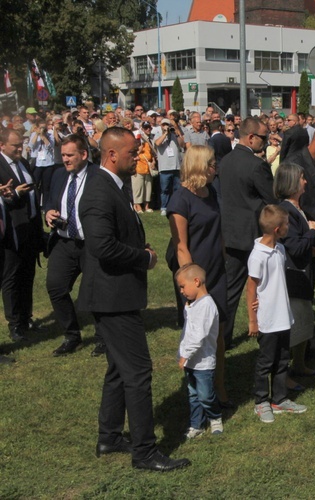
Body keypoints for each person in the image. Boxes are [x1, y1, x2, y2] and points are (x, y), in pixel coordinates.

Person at [78, 127, 190, 471]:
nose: (139, 157)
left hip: (117, 293)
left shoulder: (113, 184)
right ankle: (144, 452)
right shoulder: (99, 190)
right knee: (138, 371)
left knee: (118, 368)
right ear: (111, 155)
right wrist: (145, 258)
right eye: (131, 153)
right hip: (112, 296)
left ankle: (110, 436)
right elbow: (101, 246)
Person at [167, 144, 232, 407]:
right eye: (212, 163)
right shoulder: (179, 200)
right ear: (200, 166)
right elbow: (181, 246)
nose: (216, 167)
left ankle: (219, 387)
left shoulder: (211, 192)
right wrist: (193, 285)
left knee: (218, 331)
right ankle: (197, 390)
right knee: (198, 332)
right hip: (194, 275)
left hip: (216, 269)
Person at [247, 205, 308, 424]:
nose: (289, 227)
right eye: (287, 225)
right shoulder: (258, 256)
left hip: (283, 317)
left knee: (283, 360)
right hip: (267, 320)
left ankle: (279, 399)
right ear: (277, 229)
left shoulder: (280, 250)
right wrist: (253, 320)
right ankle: (261, 401)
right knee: (266, 363)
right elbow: (251, 288)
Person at [44, 135, 103, 357]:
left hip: (90, 244)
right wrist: (49, 212)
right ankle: (71, 335)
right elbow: (50, 199)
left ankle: (102, 336)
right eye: (63, 155)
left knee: (94, 291)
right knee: (55, 287)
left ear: (84, 154)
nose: (65, 159)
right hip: (63, 241)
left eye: (70, 155)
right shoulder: (59, 174)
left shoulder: (98, 176)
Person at [219, 117, 276, 349]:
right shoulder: (256, 165)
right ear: (251, 137)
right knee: (264, 287)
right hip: (254, 236)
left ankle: (224, 337)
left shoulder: (225, 161)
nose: (266, 142)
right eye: (264, 137)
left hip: (231, 233)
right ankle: (266, 330)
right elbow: (271, 200)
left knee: (231, 290)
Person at [275, 162, 315, 389]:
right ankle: (285, 375)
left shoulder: (296, 208)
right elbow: (294, 247)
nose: (305, 182)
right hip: (292, 276)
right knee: (292, 326)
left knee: (303, 321)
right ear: (292, 182)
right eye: (302, 178)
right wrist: (312, 232)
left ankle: (300, 365)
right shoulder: (286, 211)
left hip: (302, 275)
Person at [0, 128, 43, 343]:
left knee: (27, 276)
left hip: (30, 230)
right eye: (15, 145)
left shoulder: (23, 162)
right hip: (11, 233)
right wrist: (15, 194)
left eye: (21, 144)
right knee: (12, 279)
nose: (20, 148)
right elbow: (4, 199)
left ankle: (26, 318)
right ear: (2, 145)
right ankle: (15, 324)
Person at [175, 263, 224, 439]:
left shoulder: (207, 306)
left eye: (182, 286)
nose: (181, 291)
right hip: (191, 361)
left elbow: (199, 335)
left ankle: (215, 416)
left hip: (203, 362)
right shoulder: (194, 304)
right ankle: (197, 425)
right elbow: (187, 331)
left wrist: (185, 354)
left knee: (205, 395)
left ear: (196, 281)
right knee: (193, 394)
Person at [153, 117, 185, 215]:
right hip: (164, 167)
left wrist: (176, 131)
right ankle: (164, 207)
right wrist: (165, 133)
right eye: (164, 125)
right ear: (161, 126)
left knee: (177, 188)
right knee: (165, 189)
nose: (166, 126)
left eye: (168, 124)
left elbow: (182, 144)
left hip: (176, 166)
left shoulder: (174, 135)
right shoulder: (158, 135)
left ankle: (177, 206)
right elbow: (157, 143)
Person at [132, 132, 154, 213]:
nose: (138, 141)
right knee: (138, 188)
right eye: (137, 139)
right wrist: (139, 151)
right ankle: (138, 206)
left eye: (139, 139)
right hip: (137, 170)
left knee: (148, 188)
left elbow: (152, 155)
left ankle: (147, 206)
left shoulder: (147, 145)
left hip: (147, 169)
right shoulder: (132, 147)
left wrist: (153, 162)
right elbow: (130, 158)